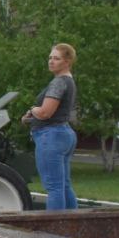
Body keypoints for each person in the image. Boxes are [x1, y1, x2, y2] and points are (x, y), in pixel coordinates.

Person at [22, 43, 78, 211]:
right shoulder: (69, 81)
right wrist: (31, 117)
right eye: (50, 58)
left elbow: (46, 113)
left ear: (67, 62)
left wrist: (33, 109)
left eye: (56, 58)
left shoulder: (59, 82)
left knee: (54, 188)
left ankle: (55, 231)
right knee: (64, 185)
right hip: (63, 133)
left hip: (51, 136)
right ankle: (73, 226)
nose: (51, 61)